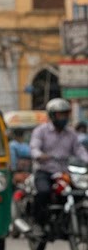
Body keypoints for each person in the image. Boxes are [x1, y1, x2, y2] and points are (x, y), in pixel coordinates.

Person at [30, 98, 88, 228]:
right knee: (43, 192)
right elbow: (34, 148)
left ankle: (73, 222)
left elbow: (79, 150)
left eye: (66, 114)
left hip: (64, 173)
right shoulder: (41, 131)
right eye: (60, 114)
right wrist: (40, 155)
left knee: (80, 193)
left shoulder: (71, 133)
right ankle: (40, 223)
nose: (64, 118)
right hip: (44, 171)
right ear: (52, 115)